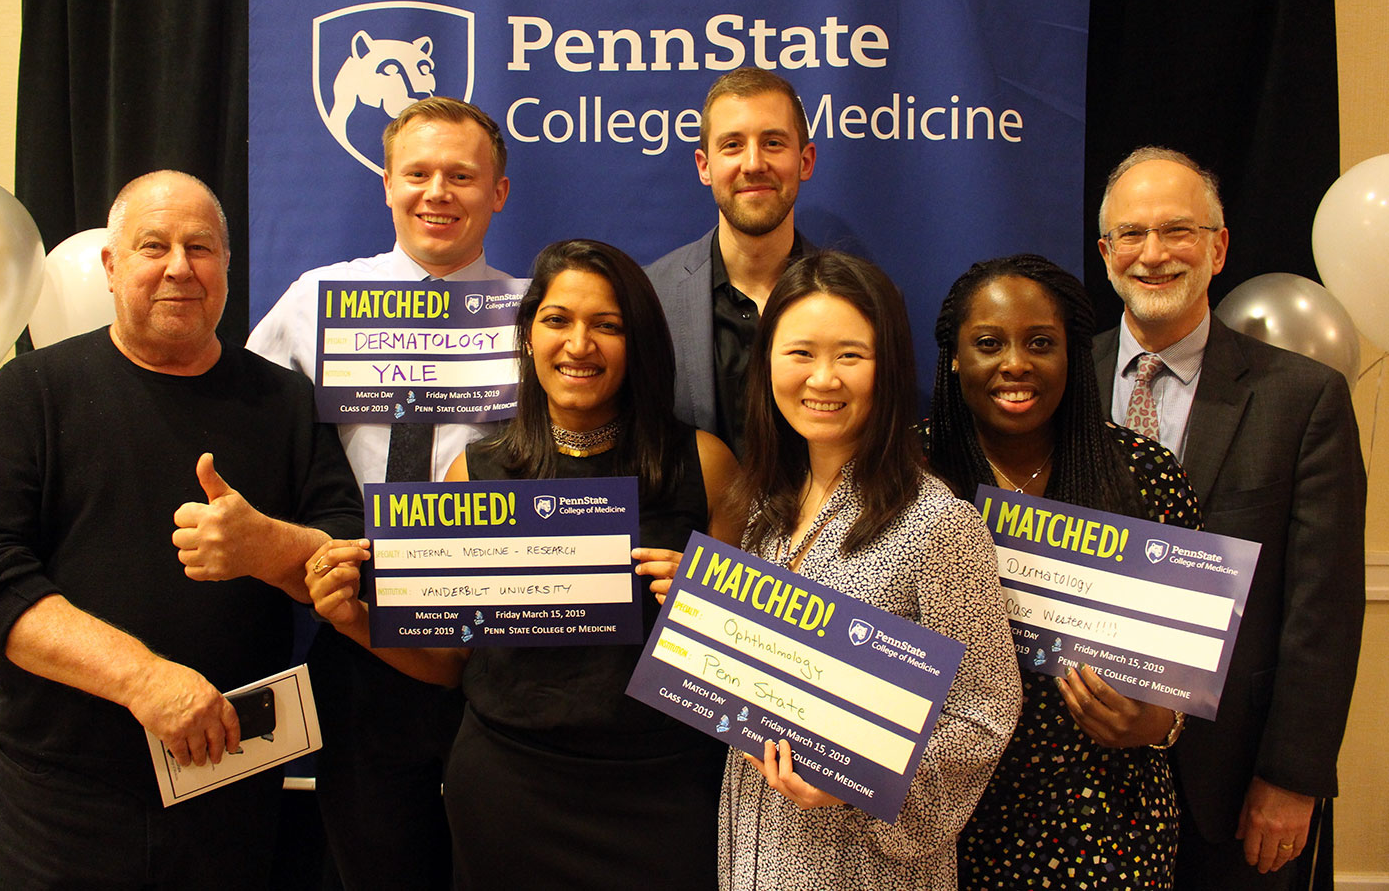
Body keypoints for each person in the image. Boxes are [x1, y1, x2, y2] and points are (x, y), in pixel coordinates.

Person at [0, 171, 363, 887]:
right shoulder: (32, 390)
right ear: (110, 265)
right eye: (152, 246)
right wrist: (144, 679)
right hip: (64, 800)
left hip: (233, 787)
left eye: (201, 248)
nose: (178, 267)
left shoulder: (284, 401)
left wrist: (265, 546)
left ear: (227, 266)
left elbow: (344, 558)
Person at [306, 239, 741, 890]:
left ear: (641, 341)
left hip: (669, 790)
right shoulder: (471, 475)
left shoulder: (706, 466)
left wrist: (710, 614)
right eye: (558, 319)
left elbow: (748, 665)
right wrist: (353, 617)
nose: (579, 343)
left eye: (608, 325)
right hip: (511, 790)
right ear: (529, 335)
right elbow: (448, 660)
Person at [246, 96, 511, 889]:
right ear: (386, 185)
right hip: (358, 633)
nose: (438, 192)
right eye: (418, 173)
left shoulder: (538, 312)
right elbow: (234, 414)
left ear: (497, 192)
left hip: (494, 641)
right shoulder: (316, 302)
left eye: (462, 175)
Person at [1092, 147, 1365, 888]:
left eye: (1178, 230)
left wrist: (1292, 776)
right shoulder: (1060, 389)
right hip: (1078, 788)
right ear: (1106, 252)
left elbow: (1324, 612)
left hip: (1234, 787)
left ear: (1218, 247)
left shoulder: (1301, 399)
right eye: (1133, 234)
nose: (1154, 254)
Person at [716, 250, 1021, 890]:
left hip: (869, 867)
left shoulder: (938, 523)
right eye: (800, 353)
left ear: (887, 368)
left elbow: (984, 711)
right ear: (767, 361)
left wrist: (860, 777)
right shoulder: (765, 512)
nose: (823, 379)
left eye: (850, 355)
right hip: (759, 850)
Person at [924, 253, 1202, 888]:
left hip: (1107, 824)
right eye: (988, 343)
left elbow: (1187, 678)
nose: (1015, 363)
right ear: (956, 358)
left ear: (1073, 356)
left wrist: (1158, 723)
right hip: (943, 829)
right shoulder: (907, 477)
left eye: (1041, 343)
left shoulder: (1146, 477)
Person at [645, 66, 817, 454]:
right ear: (705, 167)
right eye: (732, 145)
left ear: (805, 161)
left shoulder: (861, 300)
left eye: (773, 142)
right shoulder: (650, 298)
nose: (753, 163)